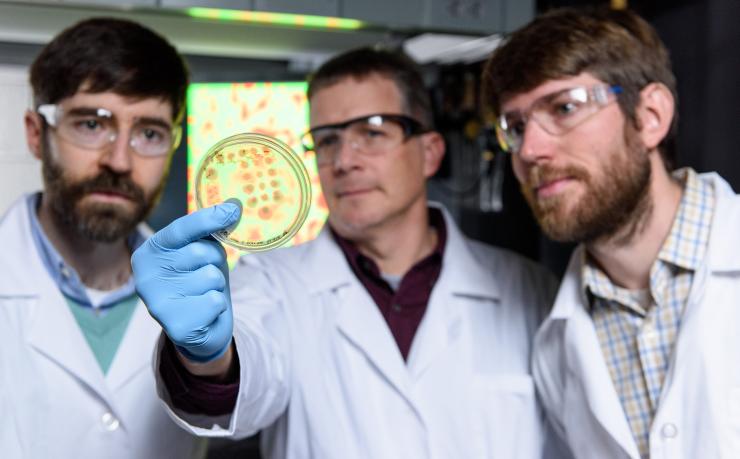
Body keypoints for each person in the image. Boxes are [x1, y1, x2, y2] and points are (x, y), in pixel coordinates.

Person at [132, 47, 563, 458]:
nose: (344, 160)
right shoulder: (269, 280)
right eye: (327, 140)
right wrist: (206, 358)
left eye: (372, 132)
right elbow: (248, 381)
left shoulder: (531, 290)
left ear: (430, 153)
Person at [482, 6, 740, 459]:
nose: (532, 150)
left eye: (565, 107)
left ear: (650, 116)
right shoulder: (557, 348)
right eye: (517, 127)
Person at [0, 17, 204, 458]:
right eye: (92, 125)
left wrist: (217, 366)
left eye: (149, 133)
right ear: (37, 134)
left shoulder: (199, 296)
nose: (119, 160)